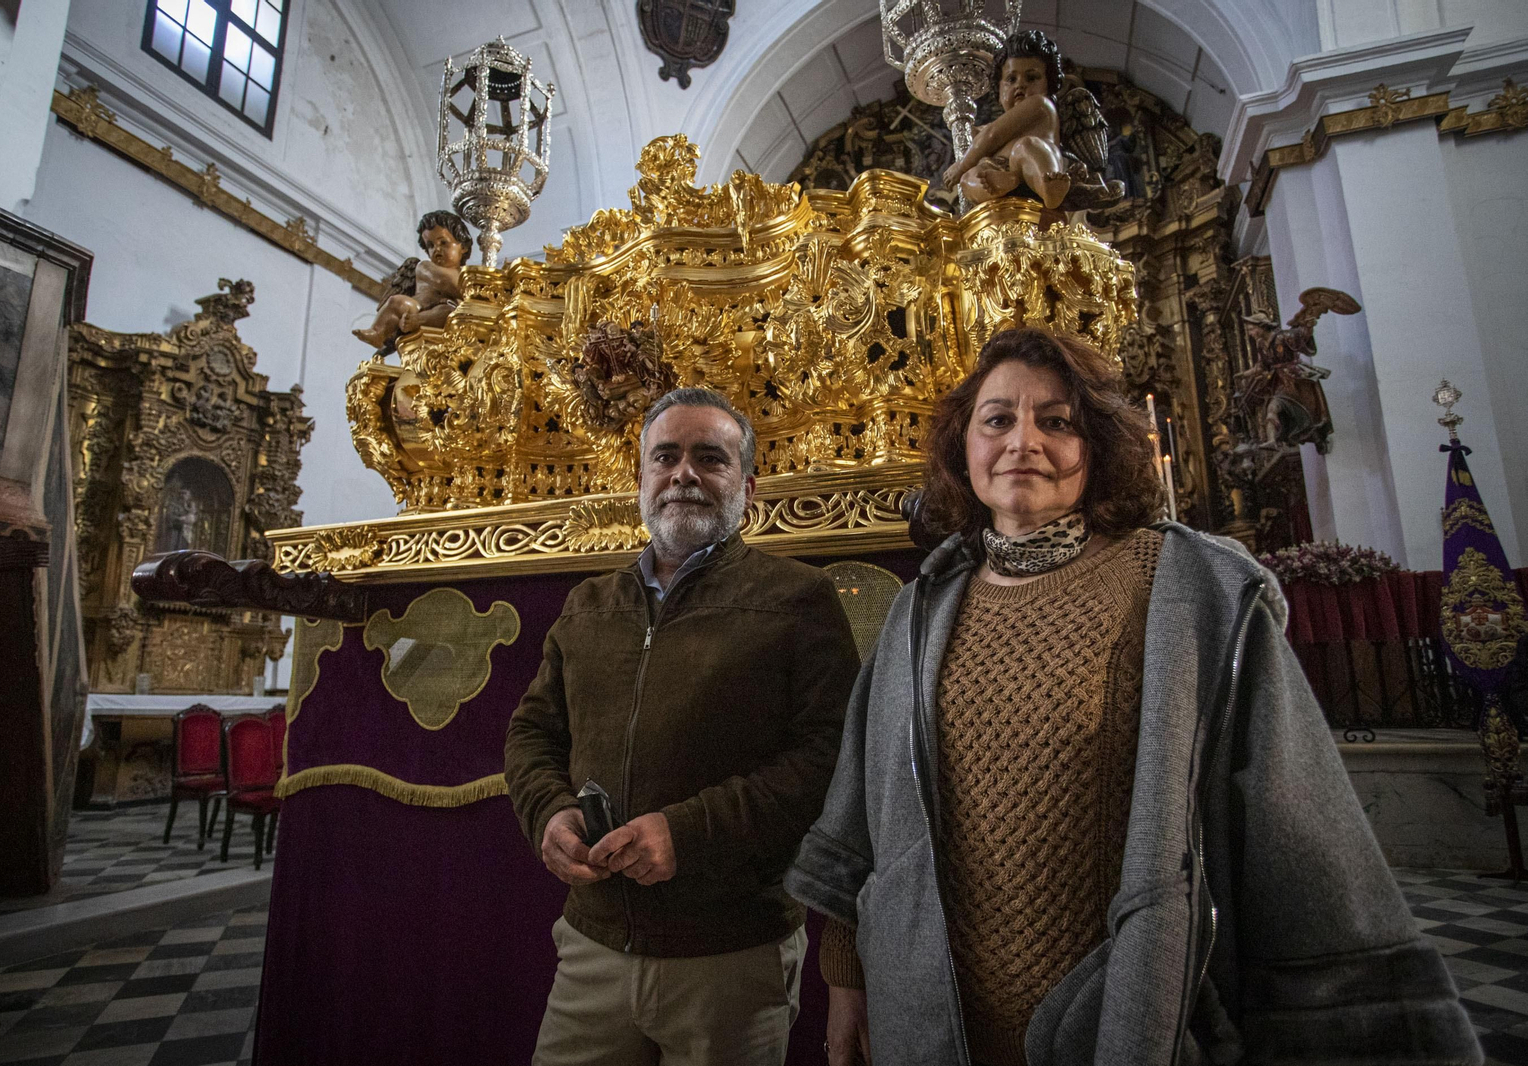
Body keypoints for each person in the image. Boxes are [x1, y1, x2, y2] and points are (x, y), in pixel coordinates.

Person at [785, 328, 1480, 1065]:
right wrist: (846, 972)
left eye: (1056, 421)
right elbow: (866, 810)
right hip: (928, 1017)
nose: (1024, 440)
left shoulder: (1190, 590)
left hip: (1118, 1013)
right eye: (997, 420)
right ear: (964, 449)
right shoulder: (918, 613)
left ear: (1098, 446)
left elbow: (1300, 829)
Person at [504, 387, 861, 1066]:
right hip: (593, 948)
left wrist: (688, 833)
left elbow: (827, 760)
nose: (683, 475)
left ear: (747, 487)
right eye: (665, 457)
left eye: (710, 458)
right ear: (641, 480)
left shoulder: (796, 601)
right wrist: (547, 813)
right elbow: (531, 735)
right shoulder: (588, 606)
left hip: (729, 957)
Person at [942, 30, 1070, 210]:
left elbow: (993, 135)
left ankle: (1049, 188)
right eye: (1011, 79)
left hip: (1033, 164)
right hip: (1001, 175)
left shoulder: (1040, 104)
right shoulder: (985, 129)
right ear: (999, 89)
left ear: (1048, 84)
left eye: (1032, 78)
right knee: (968, 180)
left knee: (1025, 146)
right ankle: (1003, 184)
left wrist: (961, 166)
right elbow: (984, 137)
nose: (1020, 84)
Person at [351, 210, 471, 349]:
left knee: (450, 311)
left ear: (464, 247)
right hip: (417, 308)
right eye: (431, 246)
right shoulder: (425, 267)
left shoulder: (466, 274)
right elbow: (449, 284)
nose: (436, 249)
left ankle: (416, 321)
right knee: (397, 301)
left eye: (443, 243)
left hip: (443, 315)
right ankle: (378, 332)